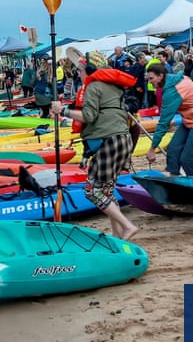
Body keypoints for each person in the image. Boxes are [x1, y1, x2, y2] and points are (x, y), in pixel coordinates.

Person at [50, 62, 139, 240]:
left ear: (89, 72)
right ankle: (117, 235)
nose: (78, 74)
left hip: (108, 142)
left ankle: (128, 226)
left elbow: (89, 116)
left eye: (80, 71)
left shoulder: (93, 86)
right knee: (107, 191)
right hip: (123, 140)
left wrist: (62, 111)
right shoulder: (114, 86)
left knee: (93, 191)